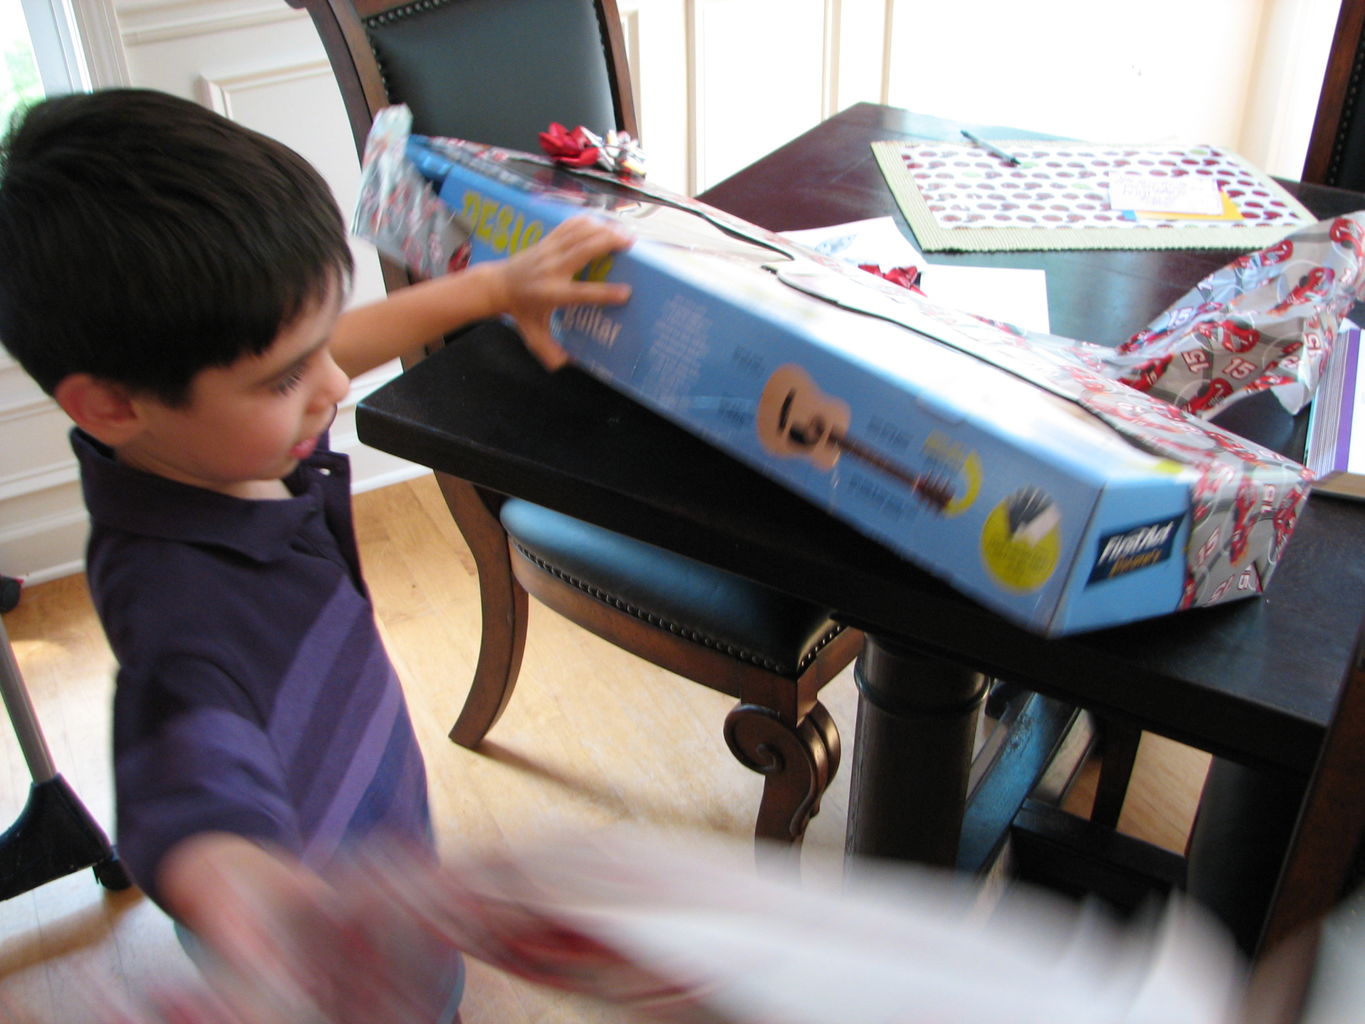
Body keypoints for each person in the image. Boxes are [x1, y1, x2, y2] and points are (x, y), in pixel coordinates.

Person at [0, 87, 631, 1019]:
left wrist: (498, 287)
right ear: (109, 405)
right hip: (320, 963)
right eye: (287, 376)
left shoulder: (203, 442)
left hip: (379, 859)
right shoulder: (180, 604)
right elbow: (187, 785)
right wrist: (253, 906)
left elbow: (325, 347)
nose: (333, 384)